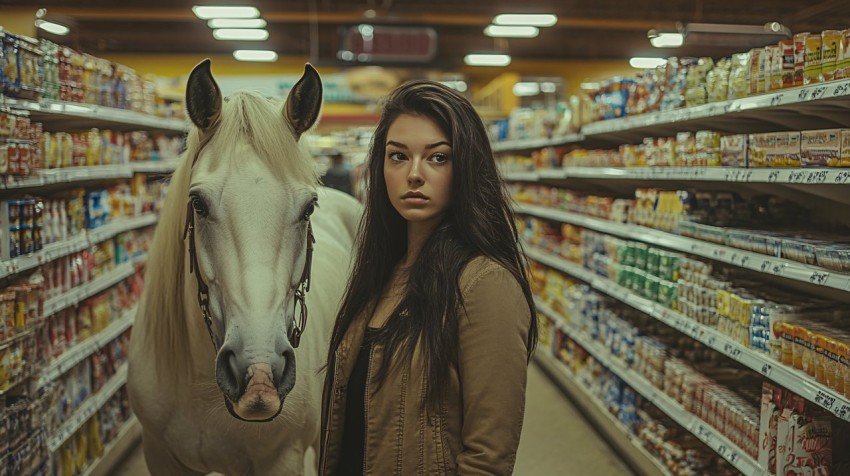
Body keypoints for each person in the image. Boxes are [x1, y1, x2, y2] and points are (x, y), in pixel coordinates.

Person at [320, 80, 538, 475]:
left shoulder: (485, 285)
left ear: (466, 168)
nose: (414, 174)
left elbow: (488, 458)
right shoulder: (381, 272)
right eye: (398, 156)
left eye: (438, 158)